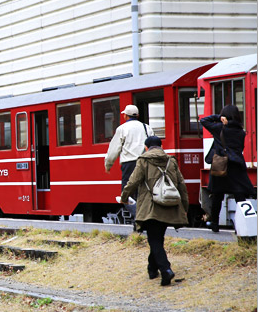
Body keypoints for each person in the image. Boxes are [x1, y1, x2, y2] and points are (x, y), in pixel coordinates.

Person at [120, 136, 189, 286]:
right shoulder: (171, 161)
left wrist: (124, 197)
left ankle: (166, 270)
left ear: (146, 147)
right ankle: (152, 269)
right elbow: (181, 185)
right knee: (157, 238)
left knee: (154, 240)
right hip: (169, 205)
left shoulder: (144, 160)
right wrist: (184, 207)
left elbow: (133, 181)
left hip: (151, 207)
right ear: (160, 146)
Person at [201, 104, 255, 232]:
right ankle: (244, 225)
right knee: (240, 195)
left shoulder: (220, 128)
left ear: (224, 116)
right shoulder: (241, 132)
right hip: (236, 165)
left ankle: (214, 223)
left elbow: (204, 120)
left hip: (222, 164)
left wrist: (219, 117)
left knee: (217, 195)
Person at [105, 105, 155, 193]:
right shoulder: (147, 127)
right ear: (138, 116)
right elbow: (153, 145)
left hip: (129, 164)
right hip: (145, 163)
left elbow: (113, 150)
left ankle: (132, 206)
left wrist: (108, 165)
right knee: (144, 191)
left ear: (125, 116)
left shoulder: (122, 129)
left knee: (128, 194)